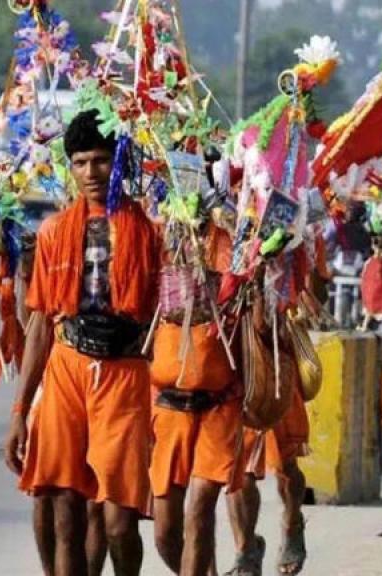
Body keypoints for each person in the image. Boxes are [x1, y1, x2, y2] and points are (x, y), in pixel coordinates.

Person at [4, 109, 160, 576]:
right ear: (70, 167)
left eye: (102, 160)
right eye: (80, 162)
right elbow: (41, 327)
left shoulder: (152, 232)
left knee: (117, 524)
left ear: (120, 162)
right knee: (65, 514)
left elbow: (166, 316)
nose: (91, 172)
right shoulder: (53, 232)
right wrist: (19, 413)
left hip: (125, 374)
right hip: (68, 368)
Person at [224, 233, 330, 576]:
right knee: (237, 469)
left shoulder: (296, 226)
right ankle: (245, 549)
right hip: (232, 354)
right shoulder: (220, 220)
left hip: (277, 353)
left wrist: (297, 267)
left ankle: (292, 520)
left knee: (286, 464)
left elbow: (318, 293)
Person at [150, 221, 242, 576]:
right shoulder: (159, 234)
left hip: (218, 404)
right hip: (168, 405)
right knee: (165, 534)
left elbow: (246, 308)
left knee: (200, 508)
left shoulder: (231, 240)